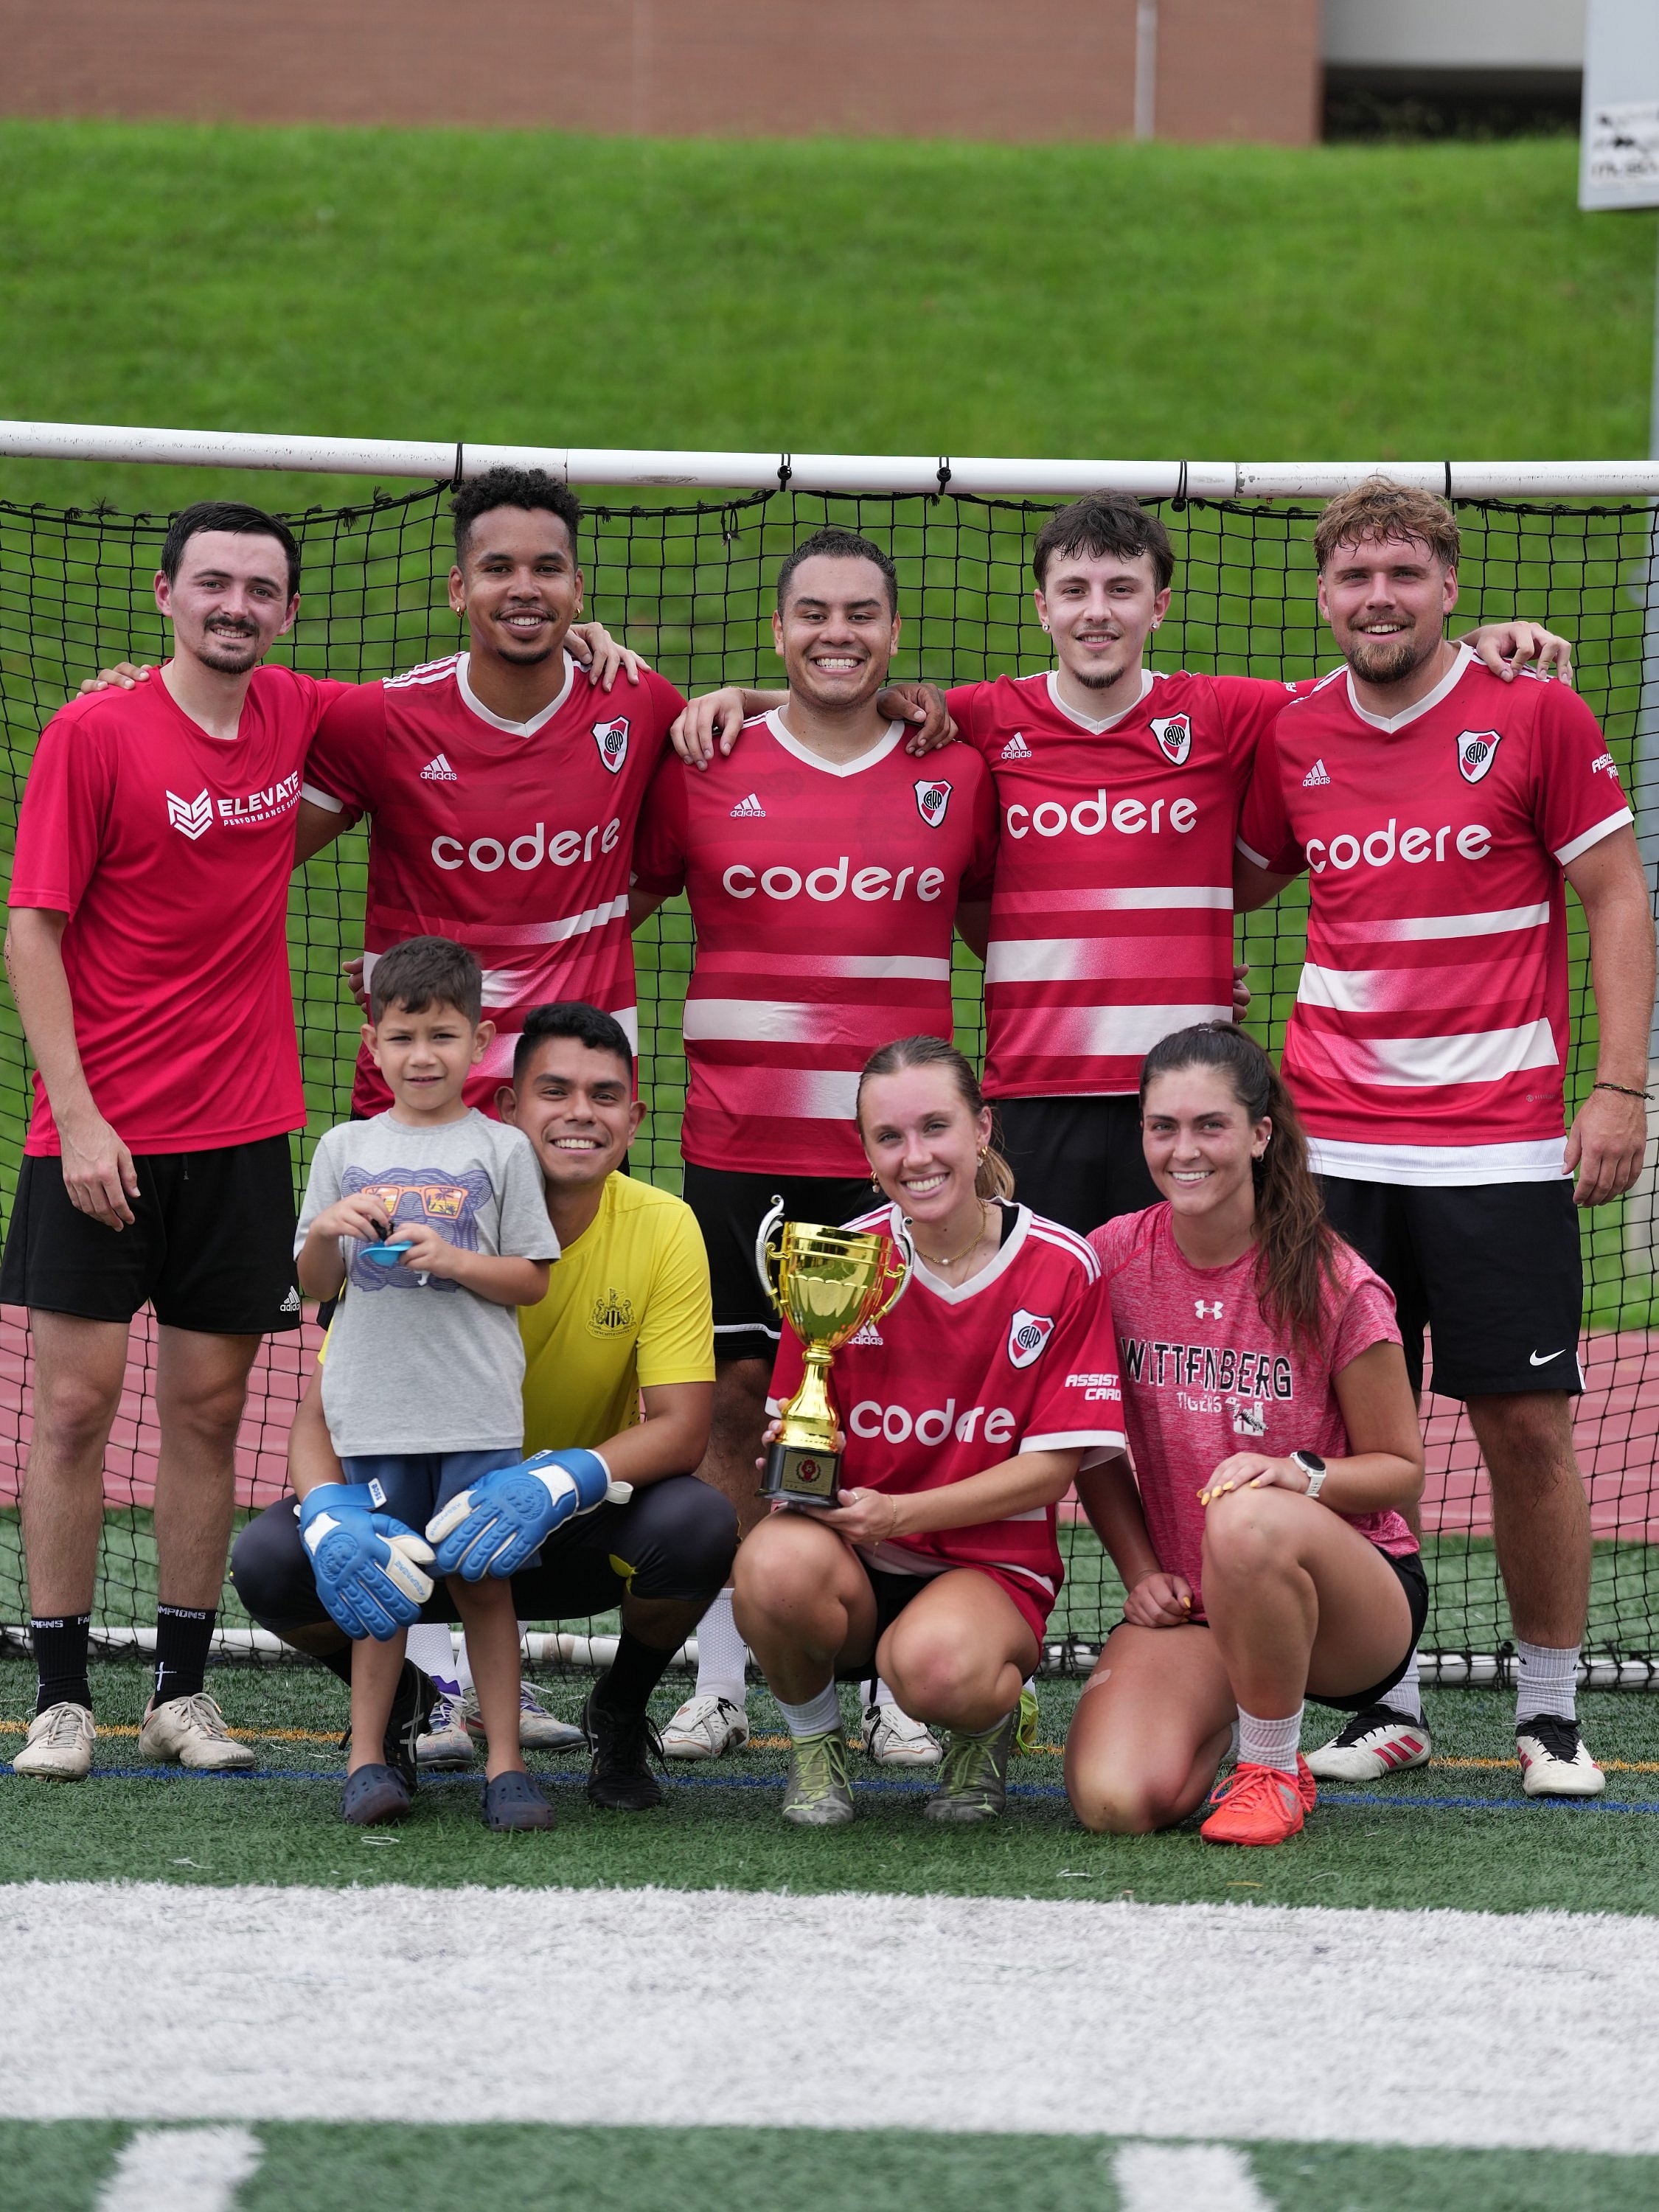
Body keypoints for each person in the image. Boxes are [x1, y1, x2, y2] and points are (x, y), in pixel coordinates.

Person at [674, 496, 1571, 1238]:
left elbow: (1379, 678)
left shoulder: (1227, 714)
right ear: (1043, 607)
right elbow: (849, 700)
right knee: (1041, 1352)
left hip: (1180, 1100)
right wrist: (743, 698)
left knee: (1186, 1350)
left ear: (1159, 604)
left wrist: (1480, 644)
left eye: (1120, 588)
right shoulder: (985, 719)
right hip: (1035, 1100)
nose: (1096, 610)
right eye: (1074, 589)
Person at [1235, 476, 1655, 1795]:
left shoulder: (1534, 712)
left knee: (1524, 1427)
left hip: (1497, 1144)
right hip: (1334, 1144)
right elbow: (1234, 872)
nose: (1379, 598)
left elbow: (1617, 896)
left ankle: (1549, 1713)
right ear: (1323, 594)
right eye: (1356, 577)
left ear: (1450, 588)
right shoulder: (1294, 731)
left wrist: (1622, 1088)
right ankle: (1386, 1700)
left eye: (1404, 575)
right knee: (1357, 1431)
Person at [629, 527, 999, 1768]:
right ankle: (728, 1674)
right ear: (778, 632)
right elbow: (605, 897)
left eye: (861, 615)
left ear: (895, 636)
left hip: (897, 1157)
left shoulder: (959, 767)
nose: (836, 634)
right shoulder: (704, 761)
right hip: (740, 1145)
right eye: (811, 615)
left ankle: (898, 1674)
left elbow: (1008, 914)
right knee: (740, 1404)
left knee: (895, 1402)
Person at [4, 499, 351, 1782]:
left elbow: (457, 699)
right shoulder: (94, 731)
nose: (235, 607)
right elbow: (31, 929)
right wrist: (81, 1118)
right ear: (166, 596)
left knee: (209, 1417)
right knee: (76, 1411)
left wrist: (595, 644)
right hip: (95, 1137)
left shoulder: (302, 714)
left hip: (245, 1133)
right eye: (213, 585)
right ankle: (57, 1698)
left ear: (288, 612)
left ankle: (181, 1693)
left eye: (260, 591)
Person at [231, 999, 732, 1813]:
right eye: (555, 1091)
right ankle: (398, 1714)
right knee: (271, 1559)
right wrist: (327, 1510)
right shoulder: (413, 1202)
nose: (580, 1114)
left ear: (635, 1117)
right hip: (415, 1520)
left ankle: (621, 1706)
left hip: (560, 1525)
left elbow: (683, 1426)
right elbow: (321, 1412)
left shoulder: (666, 1228)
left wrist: (562, 1480)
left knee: (699, 1528)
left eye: (605, 1096)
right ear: (508, 1109)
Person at [733, 1035, 1126, 1827]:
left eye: (936, 1128)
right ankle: (816, 1747)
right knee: (769, 1566)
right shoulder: (841, 1261)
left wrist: (901, 1513)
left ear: (982, 1129)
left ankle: (987, 1723)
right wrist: (794, 1461)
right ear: (867, 1150)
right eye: (890, 1137)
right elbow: (797, 1439)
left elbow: (1051, 1473)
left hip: (988, 1567)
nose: (917, 1157)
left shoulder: (1062, 1265)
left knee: (935, 1669)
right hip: (854, 1556)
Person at [1065, 1023, 1426, 1848]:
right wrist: (1143, 1571)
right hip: (1196, 1603)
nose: (1183, 1150)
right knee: (1115, 1800)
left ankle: (1272, 1765)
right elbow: (1086, 1440)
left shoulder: (1335, 1281)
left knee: (1246, 1509)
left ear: (1261, 1134)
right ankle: (1236, 1703)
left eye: (1210, 1125)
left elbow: (1400, 1470)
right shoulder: (1111, 1260)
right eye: (1164, 1127)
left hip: (1349, 1606)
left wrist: (1301, 1474)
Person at [291, 936, 559, 1827]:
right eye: (403, 1037)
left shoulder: (503, 1150)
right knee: (383, 1582)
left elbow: (531, 1278)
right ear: (373, 1044)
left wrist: (453, 1258)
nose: (422, 1056)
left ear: (480, 1041)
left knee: (485, 1580)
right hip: (372, 1411)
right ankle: (371, 1757)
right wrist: (325, 1230)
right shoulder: (344, 1147)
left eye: (442, 1036)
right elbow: (315, 1287)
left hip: (474, 1405)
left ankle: (505, 1764)